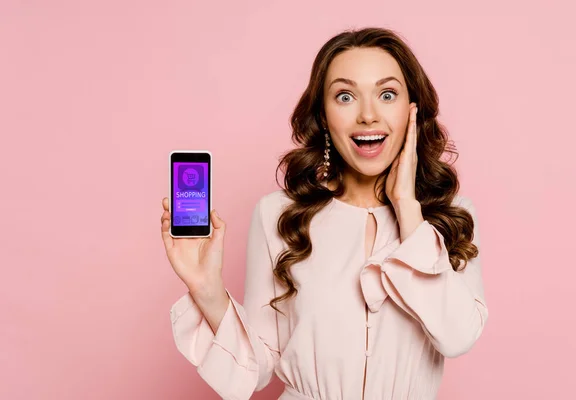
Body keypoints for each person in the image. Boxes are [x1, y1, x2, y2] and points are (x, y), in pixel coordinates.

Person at [160, 26, 488, 400]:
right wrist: (206, 289)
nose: (368, 115)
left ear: (412, 109)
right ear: (324, 116)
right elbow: (256, 368)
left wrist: (408, 210)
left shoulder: (452, 216)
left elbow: (458, 336)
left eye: (387, 94)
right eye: (346, 96)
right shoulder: (279, 216)